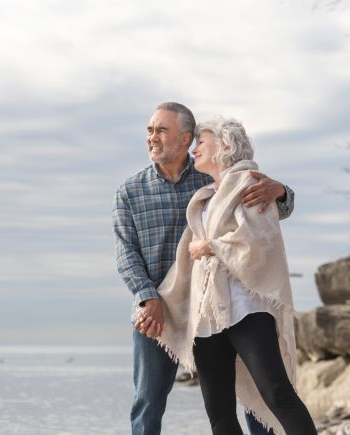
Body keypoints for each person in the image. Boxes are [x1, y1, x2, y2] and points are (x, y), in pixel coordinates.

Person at [112, 102, 294, 435]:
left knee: (255, 397)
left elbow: (266, 213)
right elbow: (126, 255)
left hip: (217, 306)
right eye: (150, 130)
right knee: (148, 402)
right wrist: (147, 297)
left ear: (185, 138)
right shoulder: (129, 192)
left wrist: (280, 190)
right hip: (158, 308)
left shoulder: (213, 176)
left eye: (161, 130)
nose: (152, 137)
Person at [150, 115, 317, 434]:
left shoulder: (250, 183)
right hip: (208, 317)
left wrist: (210, 246)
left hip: (247, 309)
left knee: (278, 394)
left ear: (224, 145)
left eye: (202, 142)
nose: (195, 148)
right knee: (219, 413)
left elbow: (261, 239)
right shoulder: (207, 196)